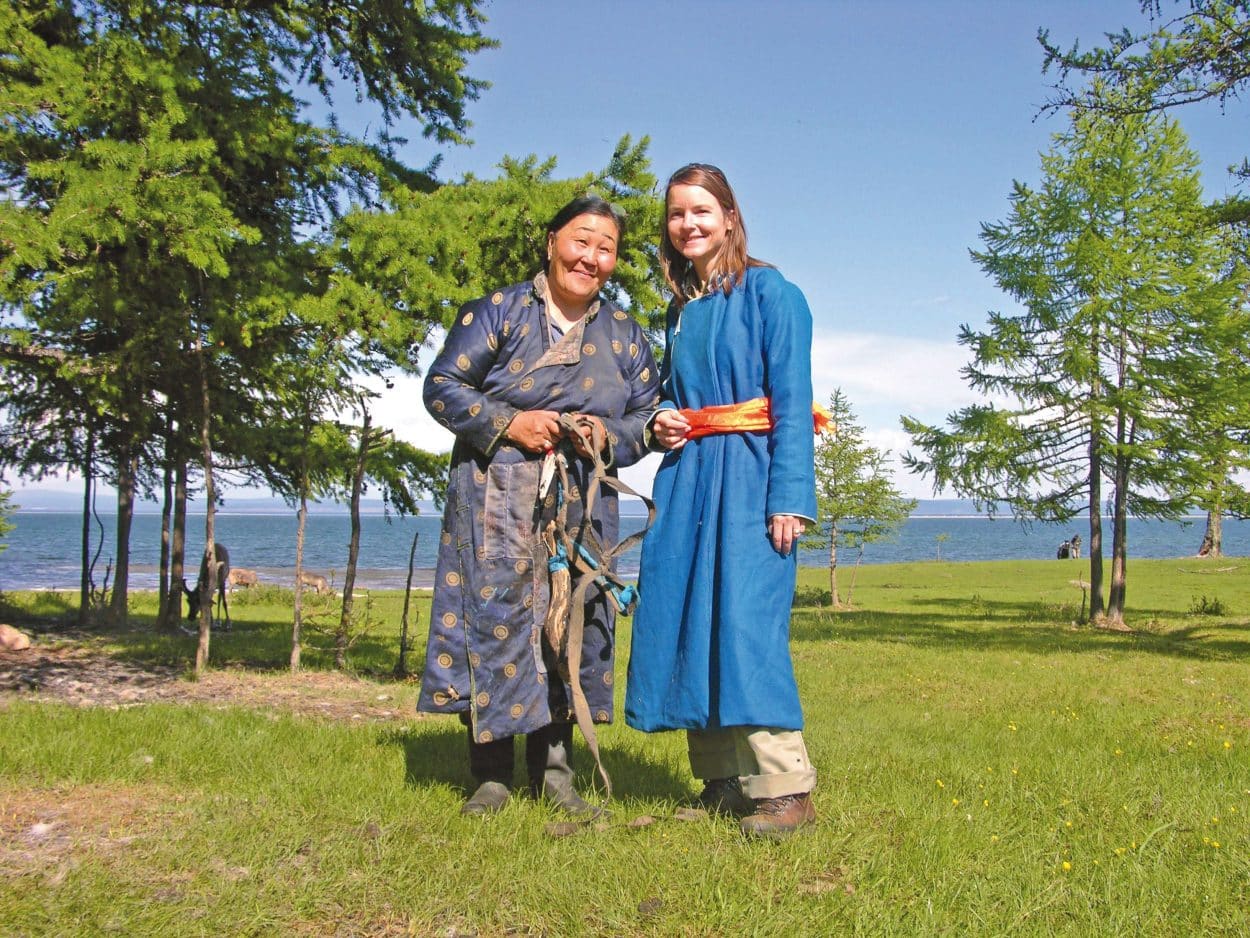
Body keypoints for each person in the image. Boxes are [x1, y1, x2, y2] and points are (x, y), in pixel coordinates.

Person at [418, 195, 661, 816]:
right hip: (495, 493)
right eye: (581, 241)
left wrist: (604, 436)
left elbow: (648, 419)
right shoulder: (499, 311)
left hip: (583, 501)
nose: (592, 257)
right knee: (497, 620)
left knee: (568, 623)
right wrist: (510, 423)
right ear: (553, 241)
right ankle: (491, 775)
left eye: (606, 248)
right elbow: (442, 386)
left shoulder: (627, 336)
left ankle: (557, 772)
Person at [625, 164, 820, 839]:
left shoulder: (772, 292)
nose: (689, 224)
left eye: (702, 210)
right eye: (677, 213)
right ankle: (722, 782)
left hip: (751, 474)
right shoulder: (680, 311)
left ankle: (786, 788)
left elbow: (792, 400)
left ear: (730, 216)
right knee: (688, 618)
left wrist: (790, 496)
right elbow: (678, 393)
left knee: (744, 623)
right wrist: (664, 419)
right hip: (689, 477)